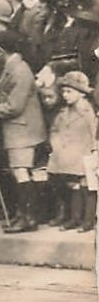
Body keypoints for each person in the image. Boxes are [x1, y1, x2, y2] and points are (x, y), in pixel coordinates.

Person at [0, 29, 49, 232]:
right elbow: (6, 95)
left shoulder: (20, 70)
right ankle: (24, 215)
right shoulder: (11, 67)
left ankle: (29, 218)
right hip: (19, 129)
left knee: (21, 172)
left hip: (23, 129)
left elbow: (15, 106)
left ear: (2, 49)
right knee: (18, 171)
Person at [47, 70, 97, 231]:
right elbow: (54, 130)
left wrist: (95, 150)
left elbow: (94, 132)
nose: (65, 95)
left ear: (81, 94)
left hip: (85, 152)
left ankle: (88, 221)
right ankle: (75, 218)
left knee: (88, 186)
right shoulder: (63, 112)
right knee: (73, 185)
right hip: (67, 155)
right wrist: (56, 145)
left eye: (69, 91)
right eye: (63, 91)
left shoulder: (87, 112)